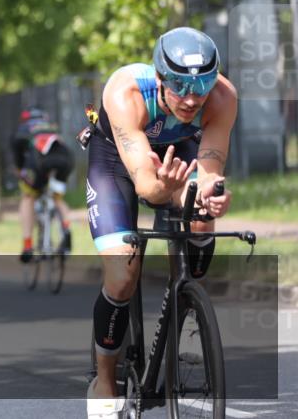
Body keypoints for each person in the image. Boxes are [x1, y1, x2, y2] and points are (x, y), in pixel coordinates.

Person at [84, 27, 235, 419]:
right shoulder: (126, 93)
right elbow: (148, 185)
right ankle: (104, 379)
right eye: (180, 86)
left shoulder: (222, 97)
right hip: (118, 162)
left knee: (200, 229)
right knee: (122, 274)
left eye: (200, 86)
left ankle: (183, 299)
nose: (190, 98)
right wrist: (164, 189)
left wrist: (207, 193)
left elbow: (210, 167)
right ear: (158, 77)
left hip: (177, 152)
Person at [11, 107, 73, 262]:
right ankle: (66, 228)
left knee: (28, 197)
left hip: (39, 164)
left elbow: (18, 157)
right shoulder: (52, 127)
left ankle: (27, 245)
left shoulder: (22, 129)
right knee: (57, 198)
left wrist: (20, 171)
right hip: (65, 160)